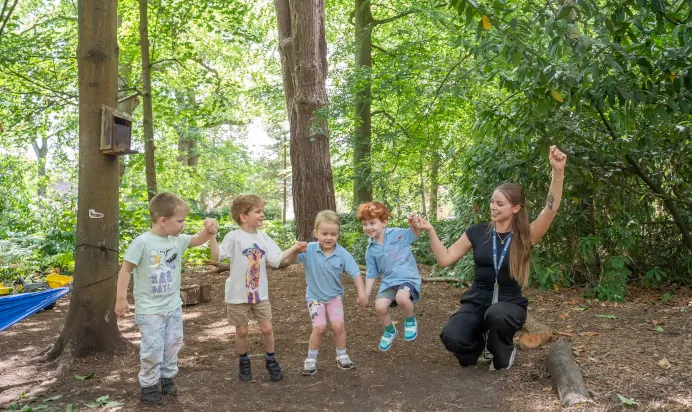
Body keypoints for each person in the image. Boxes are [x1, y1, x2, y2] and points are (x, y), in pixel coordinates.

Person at [413, 146, 566, 370]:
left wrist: (558, 173)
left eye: (500, 204)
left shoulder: (525, 235)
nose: (493, 207)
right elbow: (444, 259)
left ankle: (503, 349)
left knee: (497, 328)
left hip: (509, 303)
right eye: (492, 202)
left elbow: (550, 209)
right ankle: (481, 345)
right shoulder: (477, 232)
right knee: (452, 336)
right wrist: (430, 230)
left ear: (516, 208)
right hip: (477, 298)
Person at [115, 192, 218, 404]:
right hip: (149, 309)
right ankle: (149, 385)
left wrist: (208, 230)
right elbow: (125, 270)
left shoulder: (176, 241)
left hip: (173, 306)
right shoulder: (142, 242)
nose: (183, 225)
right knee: (152, 348)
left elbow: (198, 239)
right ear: (163, 221)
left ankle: (167, 378)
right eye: (180, 221)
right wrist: (121, 298)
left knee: (173, 344)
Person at [210, 194, 304, 382]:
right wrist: (211, 235)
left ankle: (271, 360)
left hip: (260, 294)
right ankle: (244, 361)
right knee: (242, 331)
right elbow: (216, 256)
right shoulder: (233, 237)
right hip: (237, 295)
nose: (262, 214)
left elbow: (276, 260)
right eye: (258, 211)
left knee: (267, 328)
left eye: (262, 211)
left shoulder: (263, 237)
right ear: (244, 217)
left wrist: (294, 248)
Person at [296, 210, 367, 376]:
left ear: (338, 234)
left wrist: (362, 294)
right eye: (324, 233)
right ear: (316, 233)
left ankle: (342, 355)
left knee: (338, 326)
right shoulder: (309, 249)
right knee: (319, 328)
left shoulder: (342, 253)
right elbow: (291, 260)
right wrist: (295, 250)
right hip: (315, 298)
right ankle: (311, 359)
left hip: (334, 297)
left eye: (333, 234)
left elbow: (355, 273)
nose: (329, 237)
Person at [357, 201, 422, 351]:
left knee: (401, 298)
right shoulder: (371, 250)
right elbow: (372, 274)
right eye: (365, 224)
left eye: (372, 223)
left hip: (407, 278)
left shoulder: (398, 234)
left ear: (384, 222)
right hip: (389, 282)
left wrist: (413, 223)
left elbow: (414, 235)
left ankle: (410, 321)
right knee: (379, 307)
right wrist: (365, 294)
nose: (368, 227)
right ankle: (390, 331)